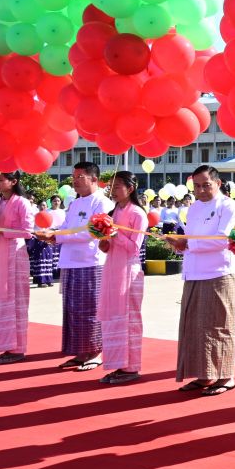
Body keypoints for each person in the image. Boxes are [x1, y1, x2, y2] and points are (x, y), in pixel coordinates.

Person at [166, 165, 235, 396]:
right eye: (197, 186)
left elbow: (224, 239)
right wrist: (180, 244)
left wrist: (188, 244)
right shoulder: (193, 209)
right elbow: (191, 239)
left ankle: (226, 375)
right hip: (195, 272)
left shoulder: (230, 207)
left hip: (220, 273)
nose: (200, 190)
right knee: (196, 327)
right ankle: (205, 374)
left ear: (218, 184)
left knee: (220, 325)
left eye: (205, 185)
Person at [36, 162, 113, 372]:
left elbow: (92, 233)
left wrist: (57, 238)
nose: (75, 180)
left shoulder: (102, 203)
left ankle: (96, 351)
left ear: (94, 179)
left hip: (90, 262)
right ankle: (80, 351)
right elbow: (66, 228)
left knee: (90, 309)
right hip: (70, 262)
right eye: (74, 176)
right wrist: (52, 234)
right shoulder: (75, 203)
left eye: (80, 176)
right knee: (73, 310)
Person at [97, 172, 147, 385]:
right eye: (112, 186)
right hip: (112, 269)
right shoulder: (112, 211)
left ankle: (131, 366)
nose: (113, 190)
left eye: (118, 186)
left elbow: (134, 247)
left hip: (129, 270)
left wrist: (115, 233)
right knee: (113, 317)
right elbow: (107, 246)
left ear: (131, 188)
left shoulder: (138, 214)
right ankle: (118, 363)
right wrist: (103, 240)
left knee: (129, 318)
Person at [0, 173, 36, 363]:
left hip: (15, 255)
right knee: (1, 303)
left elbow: (28, 232)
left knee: (16, 302)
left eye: (1, 179)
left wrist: (1, 231)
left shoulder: (22, 202)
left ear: (14, 182)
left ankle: (18, 349)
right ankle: (6, 347)